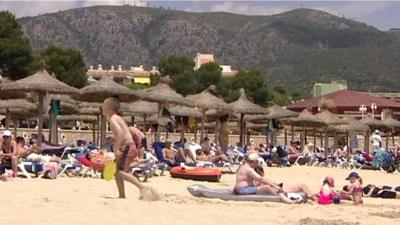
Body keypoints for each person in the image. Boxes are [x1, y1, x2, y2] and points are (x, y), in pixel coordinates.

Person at [102, 97, 159, 201]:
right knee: (117, 172)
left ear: (109, 108)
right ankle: (122, 195)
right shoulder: (117, 118)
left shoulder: (113, 119)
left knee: (119, 172)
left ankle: (142, 187)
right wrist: (114, 140)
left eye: (104, 105)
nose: (102, 107)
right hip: (129, 146)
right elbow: (122, 133)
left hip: (127, 147)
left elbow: (120, 133)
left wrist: (116, 148)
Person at [234, 152, 316, 203]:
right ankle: (289, 201)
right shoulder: (248, 169)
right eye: (257, 161)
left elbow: (259, 180)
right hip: (244, 190)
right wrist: (274, 186)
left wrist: (274, 184)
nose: (258, 163)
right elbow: (261, 179)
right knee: (267, 187)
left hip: (246, 189)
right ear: (254, 161)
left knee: (299, 185)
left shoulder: (245, 167)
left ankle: (314, 197)